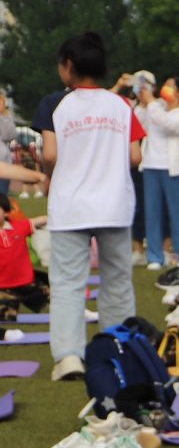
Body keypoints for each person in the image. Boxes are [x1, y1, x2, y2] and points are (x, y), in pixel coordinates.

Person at [38, 34, 143, 382]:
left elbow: (50, 154)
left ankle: (69, 356)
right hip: (113, 203)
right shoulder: (120, 106)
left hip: (70, 205)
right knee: (117, 281)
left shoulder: (59, 105)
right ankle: (118, 347)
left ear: (69, 65)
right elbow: (135, 156)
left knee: (68, 283)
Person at [138, 75, 179, 270]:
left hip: (174, 169)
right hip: (151, 166)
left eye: (171, 87)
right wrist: (144, 101)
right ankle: (155, 256)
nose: (166, 89)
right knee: (152, 213)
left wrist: (152, 103)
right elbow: (138, 118)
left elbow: (169, 125)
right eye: (165, 85)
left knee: (177, 213)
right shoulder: (156, 108)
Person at [0, 191, 45, 318]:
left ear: (6, 212)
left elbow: (38, 220)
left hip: (26, 282)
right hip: (2, 287)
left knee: (58, 301)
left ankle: (82, 313)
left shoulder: (19, 226)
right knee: (7, 319)